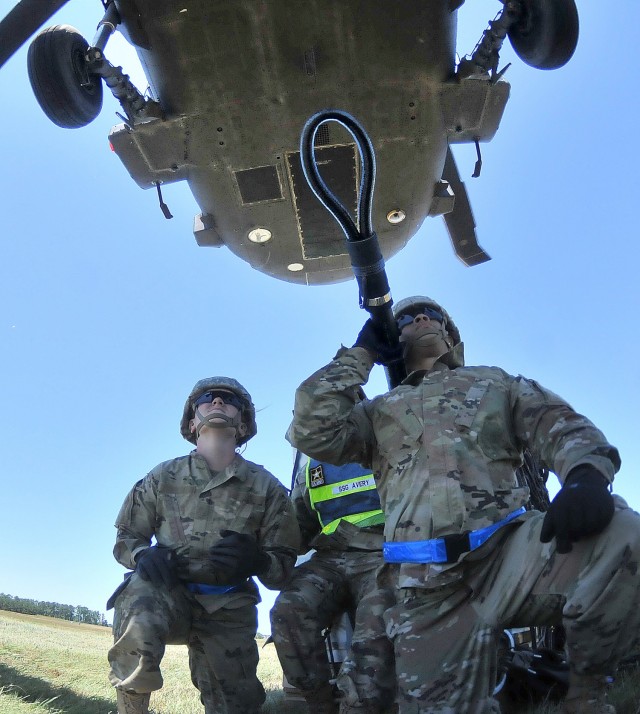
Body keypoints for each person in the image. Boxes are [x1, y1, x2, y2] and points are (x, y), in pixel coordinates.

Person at [287, 295, 640, 714]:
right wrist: (361, 353)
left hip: (508, 557)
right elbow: (312, 427)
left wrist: (585, 474)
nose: (421, 318)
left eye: (431, 314)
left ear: (451, 334)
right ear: (391, 343)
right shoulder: (375, 413)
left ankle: (585, 697)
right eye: (405, 319)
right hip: (427, 588)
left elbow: (559, 424)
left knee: (623, 532)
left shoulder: (495, 382)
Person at [107, 377, 300, 714]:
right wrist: (143, 556)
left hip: (228, 606)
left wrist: (256, 561)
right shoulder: (162, 476)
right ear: (193, 421)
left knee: (236, 704)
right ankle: (131, 708)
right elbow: (126, 538)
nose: (217, 402)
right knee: (139, 594)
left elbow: (282, 569)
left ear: (242, 423)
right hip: (168, 594)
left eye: (229, 400)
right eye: (207, 398)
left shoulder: (267, 488)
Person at [270, 453, 396, 714]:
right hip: (330, 558)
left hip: (385, 553)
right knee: (288, 609)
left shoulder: (389, 447)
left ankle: (360, 706)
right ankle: (319, 703)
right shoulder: (311, 469)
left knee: (376, 623)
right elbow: (298, 530)